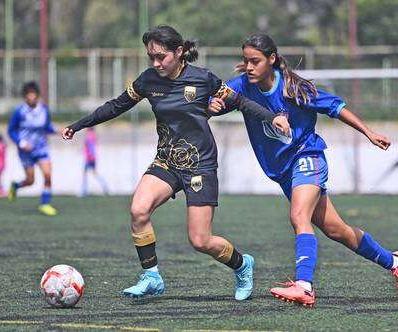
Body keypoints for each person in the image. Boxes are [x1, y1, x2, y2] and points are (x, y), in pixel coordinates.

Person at [62, 25, 289, 301]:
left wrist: (272, 116)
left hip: (200, 165)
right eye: (151, 58)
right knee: (138, 210)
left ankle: (242, 265)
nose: (156, 63)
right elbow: (115, 106)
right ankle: (151, 276)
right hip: (166, 161)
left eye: (161, 57)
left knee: (200, 241)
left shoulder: (203, 79)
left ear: (179, 52)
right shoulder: (148, 80)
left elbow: (240, 101)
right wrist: (79, 125)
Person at [209, 34, 398, 307]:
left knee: (298, 216)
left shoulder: (294, 89)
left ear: (271, 60)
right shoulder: (243, 86)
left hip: (308, 157)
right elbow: (218, 101)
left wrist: (369, 133)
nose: (248, 67)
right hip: (283, 172)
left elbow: (336, 108)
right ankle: (395, 262)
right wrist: (214, 105)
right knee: (337, 230)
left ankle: (304, 286)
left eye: (254, 61)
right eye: (245, 61)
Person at [8, 81, 57, 216]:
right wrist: (21, 143)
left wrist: (58, 131)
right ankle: (16, 186)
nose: (32, 97)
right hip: (26, 151)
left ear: (37, 95)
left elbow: (47, 127)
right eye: (29, 95)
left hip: (41, 148)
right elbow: (11, 130)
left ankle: (45, 204)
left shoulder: (43, 110)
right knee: (30, 181)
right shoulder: (19, 112)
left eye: (34, 94)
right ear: (25, 96)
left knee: (48, 175)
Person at [80, 128, 109, 197]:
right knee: (91, 173)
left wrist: (91, 155)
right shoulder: (92, 135)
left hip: (89, 158)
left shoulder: (90, 136)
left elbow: (91, 147)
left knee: (87, 174)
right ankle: (104, 186)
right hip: (90, 157)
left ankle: (83, 191)